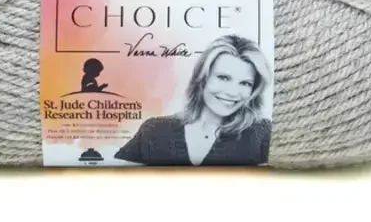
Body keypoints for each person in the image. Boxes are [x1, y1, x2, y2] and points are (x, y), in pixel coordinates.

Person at [114, 34, 271, 165]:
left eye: (245, 83)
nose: (232, 92)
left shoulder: (262, 133)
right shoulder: (154, 130)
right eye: (223, 77)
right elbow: (113, 180)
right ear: (202, 77)